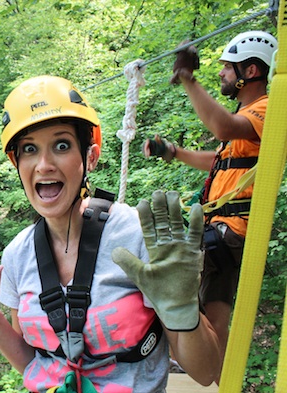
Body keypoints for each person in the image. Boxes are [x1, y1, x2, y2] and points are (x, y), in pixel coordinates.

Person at [0, 75, 221, 392]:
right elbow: (35, 363)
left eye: (61, 145)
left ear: (90, 158)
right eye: (29, 149)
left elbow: (206, 372)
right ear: (17, 163)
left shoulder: (137, 235)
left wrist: (185, 312)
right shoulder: (18, 256)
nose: (43, 164)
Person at [143, 31, 277, 364]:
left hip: (231, 230)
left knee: (158, 271)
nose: (221, 73)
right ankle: (220, 379)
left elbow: (224, 128)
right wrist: (172, 152)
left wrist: (188, 78)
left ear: (251, 72)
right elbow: (218, 159)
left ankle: (174, 354)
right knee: (216, 323)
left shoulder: (266, 108)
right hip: (225, 234)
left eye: (228, 68)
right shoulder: (245, 119)